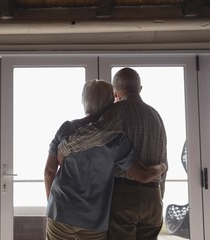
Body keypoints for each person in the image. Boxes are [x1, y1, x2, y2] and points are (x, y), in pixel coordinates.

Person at [45, 79, 166, 240]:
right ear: (111, 103)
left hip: (60, 211)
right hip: (94, 220)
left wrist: (52, 206)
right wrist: (162, 167)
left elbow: (49, 171)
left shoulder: (66, 128)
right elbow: (141, 174)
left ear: (84, 101)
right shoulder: (116, 139)